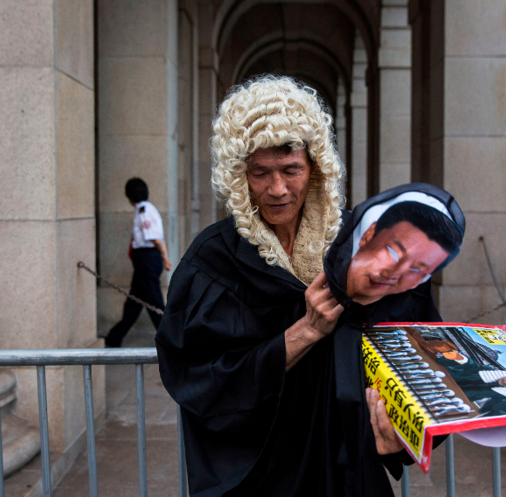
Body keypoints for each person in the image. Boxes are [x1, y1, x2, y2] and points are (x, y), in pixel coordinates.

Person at [155, 76, 464, 497]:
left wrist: (406, 431)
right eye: (260, 173)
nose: (277, 189)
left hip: (349, 468)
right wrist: (305, 332)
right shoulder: (212, 262)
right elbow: (195, 379)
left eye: (291, 170)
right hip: (261, 475)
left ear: (315, 167)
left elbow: (421, 354)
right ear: (237, 176)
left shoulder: (362, 248)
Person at [105, 178, 171, 348]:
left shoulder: (143, 210)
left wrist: (164, 256)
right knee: (134, 302)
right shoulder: (145, 209)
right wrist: (164, 256)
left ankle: (171, 340)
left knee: (154, 302)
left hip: (146, 259)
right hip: (145, 260)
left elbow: (154, 237)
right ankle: (114, 338)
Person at [436, 355, 506, 417]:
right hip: (438, 381)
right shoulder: (488, 371)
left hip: (448, 402)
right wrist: (457, 357)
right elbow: (471, 366)